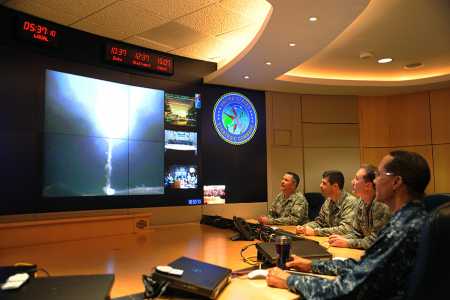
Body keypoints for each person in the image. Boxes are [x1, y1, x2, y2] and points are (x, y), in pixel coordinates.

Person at [266, 150, 431, 299]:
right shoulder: (409, 218)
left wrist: (290, 280)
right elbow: (364, 266)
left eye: (379, 175)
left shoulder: (403, 229)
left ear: (396, 182)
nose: (375, 181)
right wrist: (312, 265)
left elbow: (350, 289)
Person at [328, 164, 391, 249]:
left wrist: (348, 243)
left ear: (368, 186)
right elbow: (357, 233)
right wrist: (342, 239)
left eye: (357, 179)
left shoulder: (381, 205)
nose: (352, 182)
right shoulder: (361, 202)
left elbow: (376, 240)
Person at [296, 170, 358, 236]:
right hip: (330, 241)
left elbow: (345, 229)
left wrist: (316, 232)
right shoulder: (328, 201)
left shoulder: (350, 202)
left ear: (335, 186)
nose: (320, 185)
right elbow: (320, 222)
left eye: (324, 183)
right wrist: (304, 227)